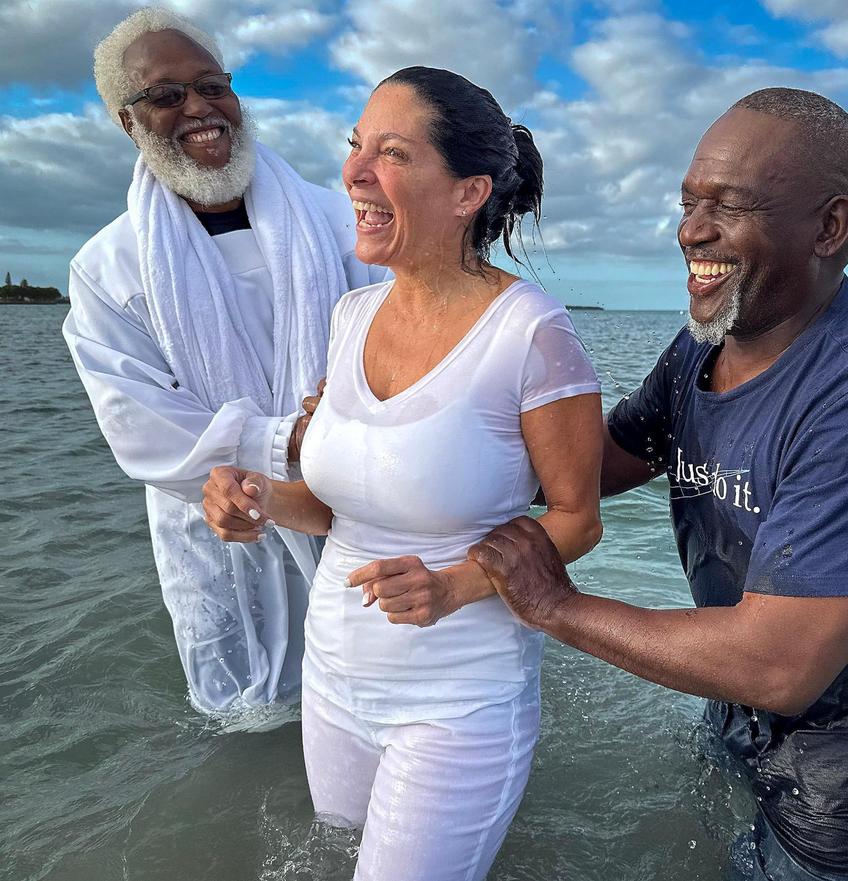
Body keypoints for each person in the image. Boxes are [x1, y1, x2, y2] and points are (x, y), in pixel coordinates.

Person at [469, 88, 848, 881]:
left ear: (830, 227)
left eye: (729, 206)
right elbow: (595, 463)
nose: (691, 230)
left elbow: (779, 664)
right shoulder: (703, 349)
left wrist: (555, 605)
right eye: (689, 203)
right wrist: (416, 436)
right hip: (747, 701)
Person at [201, 67, 603, 881]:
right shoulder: (350, 318)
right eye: (356, 147)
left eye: (392, 153)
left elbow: (576, 518)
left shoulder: (530, 331)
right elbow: (336, 506)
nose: (353, 173)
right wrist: (258, 497)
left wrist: (454, 586)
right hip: (333, 677)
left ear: (468, 193)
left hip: (460, 698)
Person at [63, 7, 389, 719]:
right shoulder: (109, 266)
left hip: (351, 507)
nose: (199, 108)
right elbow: (139, 426)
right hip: (218, 530)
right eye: (166, 94)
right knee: (253, 726)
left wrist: (348, 414)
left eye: (213, 86)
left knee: (378, 699)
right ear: (127, 122)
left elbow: (400, 342)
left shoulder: (340, 222)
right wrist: (287, 440)